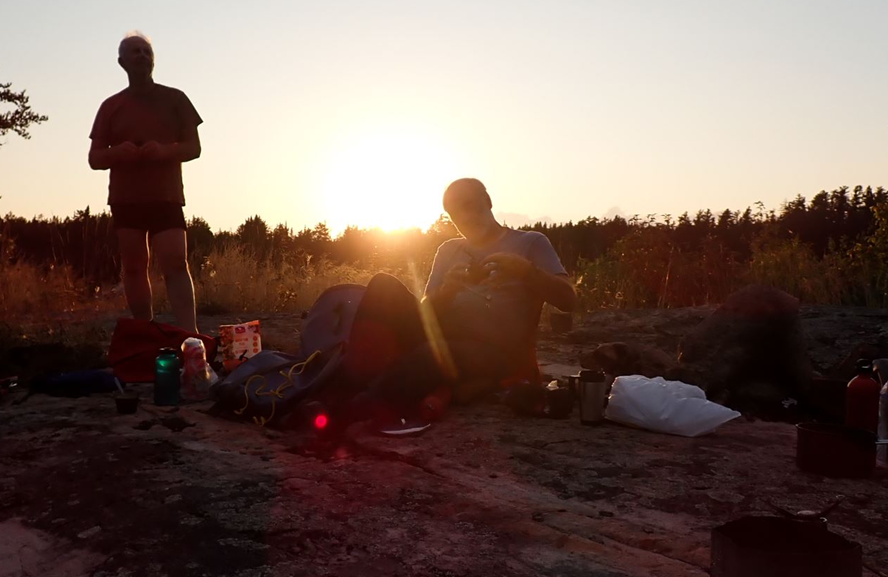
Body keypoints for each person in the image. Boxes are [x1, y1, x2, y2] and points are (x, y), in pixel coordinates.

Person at [88, 31, 203, 333]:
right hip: (126, 199)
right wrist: (119, 153)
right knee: (135, 268)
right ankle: (146, 334)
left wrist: (165, 150)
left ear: (153, 60)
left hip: (166, 196)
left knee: (176, 264)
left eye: (146, 52)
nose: (141, 56)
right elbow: (95, 158)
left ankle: (191, 338)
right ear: (121, 62)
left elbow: (194, 148)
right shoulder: (110, 106)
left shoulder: (175, 99)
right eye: (134, 52)